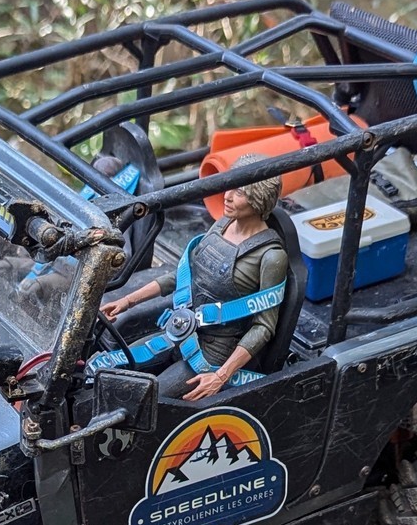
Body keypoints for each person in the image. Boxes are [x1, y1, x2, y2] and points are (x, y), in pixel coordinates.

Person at [98, 155, 288, 401]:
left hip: (212, 354)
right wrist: (127, 301)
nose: (227, 196)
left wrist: (220, 376)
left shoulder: (271, 256)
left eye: (239, 192)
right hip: (180, 329)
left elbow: (263, 327)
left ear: (259, 198)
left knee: (146, 401)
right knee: (106, 365)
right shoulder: (221, 225)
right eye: (230, 186)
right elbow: (183, 277)